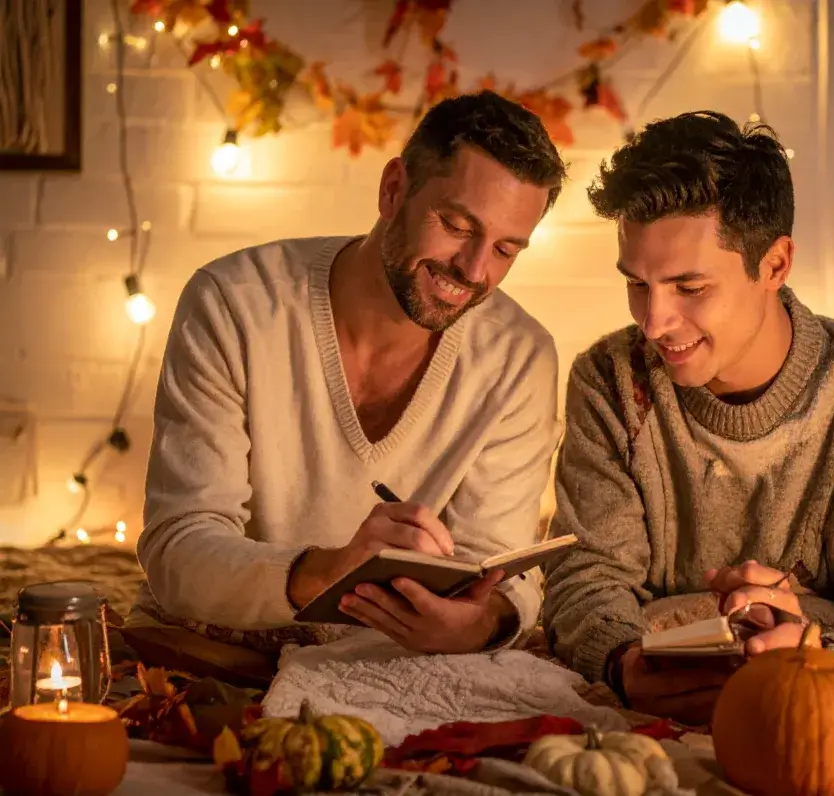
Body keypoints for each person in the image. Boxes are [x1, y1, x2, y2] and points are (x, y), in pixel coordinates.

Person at [541, 110, 834, 721]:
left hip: (824, 706)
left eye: (689, 288)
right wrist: (622, 661)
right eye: (637, 284)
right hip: (656, 704)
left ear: (775, 265)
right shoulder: (609, 379)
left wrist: (820, 650)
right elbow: (586, 575)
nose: (653, 323)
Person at [124, 90, 567, 664]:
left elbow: (502, 571)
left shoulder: (520, 356)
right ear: (393, 190)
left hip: (392, 665)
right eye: (457, 225)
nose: (475, 270)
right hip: (207, 646)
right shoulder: (233, 303)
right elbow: (177, 552)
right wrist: (326, 572)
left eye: (506, 249)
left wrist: (476, 624)